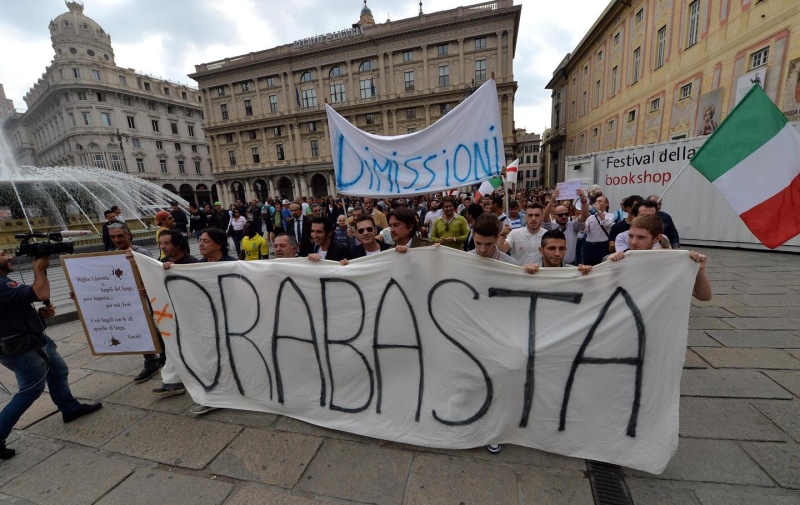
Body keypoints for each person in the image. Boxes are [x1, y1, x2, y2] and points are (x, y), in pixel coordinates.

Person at [0, 249, 102, 459]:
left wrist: (38, 315)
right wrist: (38, 267)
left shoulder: (4, 281)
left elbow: (12, 310)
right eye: (3, 254)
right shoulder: (1, 284)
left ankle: (69, 408)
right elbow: (41, 293)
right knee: (30, 390)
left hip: (34, 340)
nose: (10, 256)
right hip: (23, 348)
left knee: (58, 371)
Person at [108, 223, 166, 382]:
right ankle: (164, 353)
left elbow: (154, 273)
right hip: (127, 300)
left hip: (144, 298)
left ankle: (151, 362)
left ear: (129, 235)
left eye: (120, 236)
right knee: (148, 327)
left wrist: (149, 287)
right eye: (113, 237)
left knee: (144, 327)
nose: (117, 240)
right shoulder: (111, 255)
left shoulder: (141, 253)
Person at [607, 215, 712, 301]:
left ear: (657, 238)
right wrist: (608, 266)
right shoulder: (619, 260)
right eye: (630, 236)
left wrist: (700, 270)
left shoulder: (669, 262)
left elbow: (704, 296)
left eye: (641, 237)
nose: (633, 242)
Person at [150, 230, 198, 398]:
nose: (163, 247)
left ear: (177, 245)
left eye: (166, 243)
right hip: (171, 315)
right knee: (172, 347)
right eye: (160, 243)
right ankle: (172, 382)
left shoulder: (192, 263)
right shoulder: (162, 262)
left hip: (190, 316)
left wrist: (176, 270)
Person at [542, 188, 589, 265]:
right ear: (554, 215)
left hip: (570, 265)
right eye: (560, 215)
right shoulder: (550, 226)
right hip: (552, 266)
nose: (564, 216)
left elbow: (584, 216)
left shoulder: (573, 226)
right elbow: (544, 218)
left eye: (566, 214)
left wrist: (583, 200)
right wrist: (552, 200)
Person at [582, 196, 613, 266]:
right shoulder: (590, 217)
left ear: (606, 204)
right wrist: (583, 219)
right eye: (596, 201)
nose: (597, 203)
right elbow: (583, 230)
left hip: (603, 246)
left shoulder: (610, 215)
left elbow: (606, 223)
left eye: (600, 201)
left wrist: (598, 211)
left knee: (602, 266)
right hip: (589, 246)